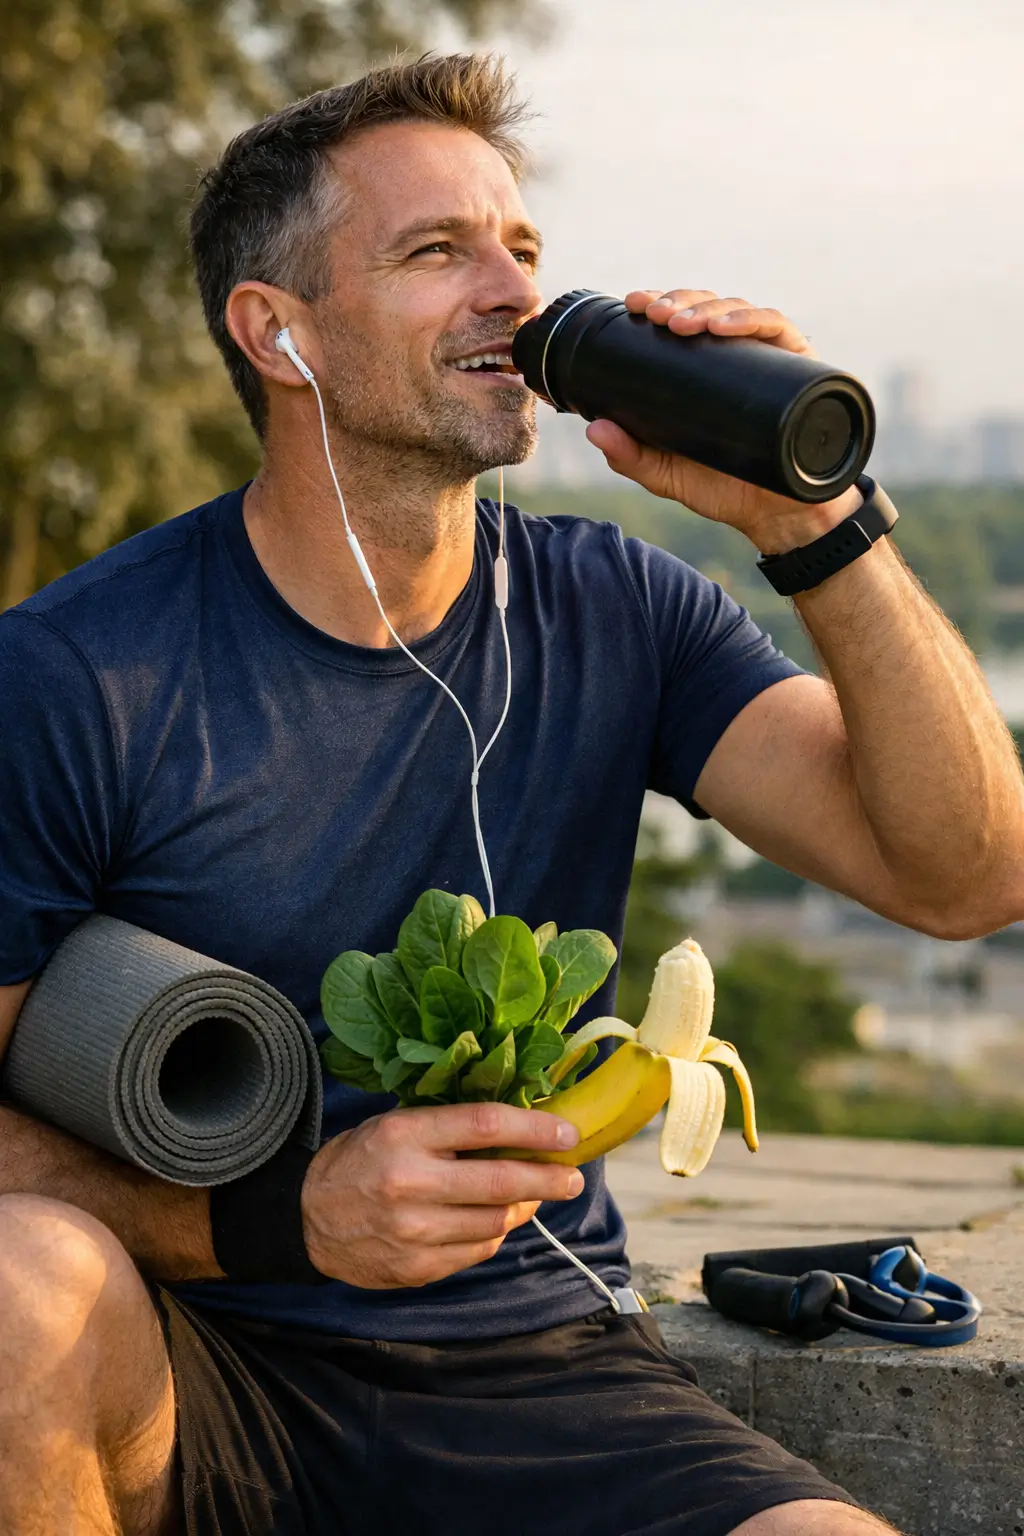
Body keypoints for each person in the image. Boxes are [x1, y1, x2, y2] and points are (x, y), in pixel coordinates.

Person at [0, 51, 1021, 1536]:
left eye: (523, 248)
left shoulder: (622, 611)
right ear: (276, 333)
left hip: (546, 1368)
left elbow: (967, 875)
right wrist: (288, 1217)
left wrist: (818, 524)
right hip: (192, 1365)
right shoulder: (75, 673)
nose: (517, 293)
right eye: (438, 252)